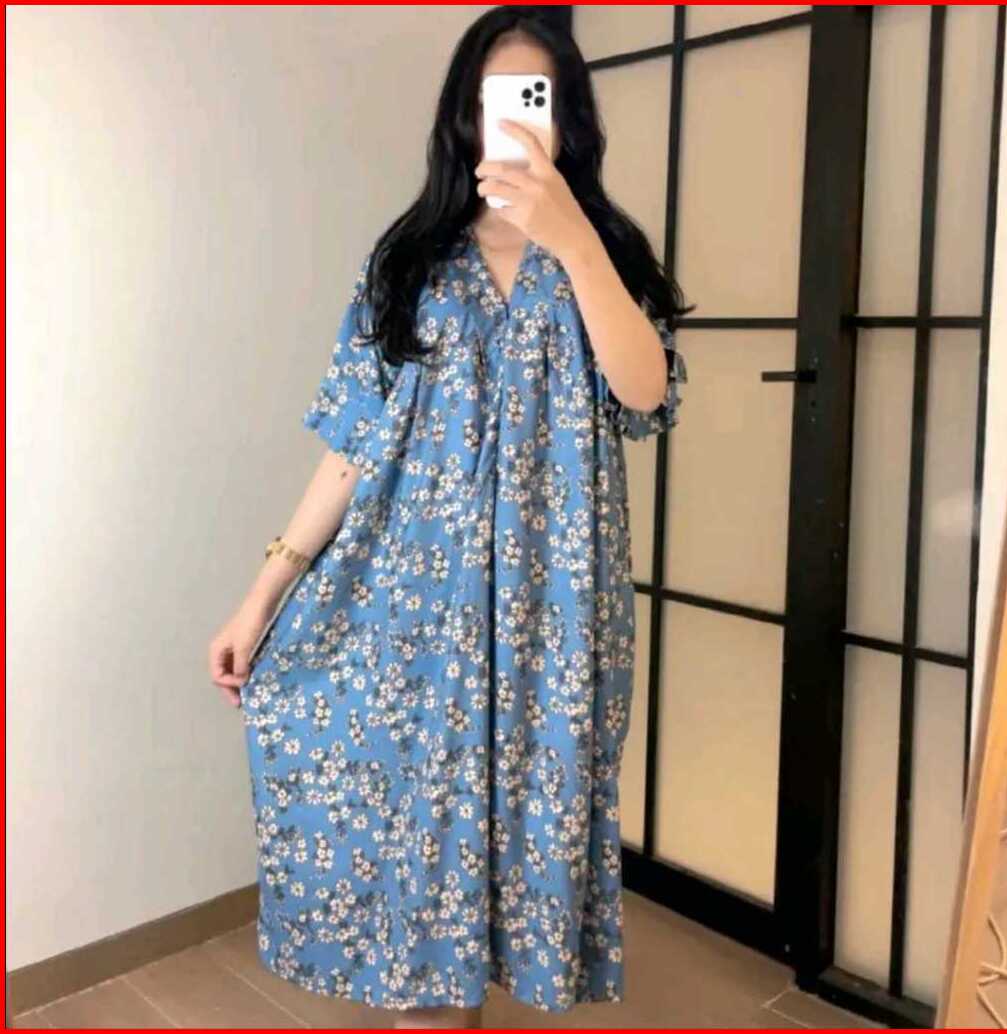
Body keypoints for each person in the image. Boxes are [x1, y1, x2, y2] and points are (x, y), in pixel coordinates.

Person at [208, 6, 692, 1029]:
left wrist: (571, 239)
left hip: (554, 621)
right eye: (493, 97)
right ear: (462, 114)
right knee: (421, 884)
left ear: (566, 115)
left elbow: (645, 392)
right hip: (410, 613)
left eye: (533, 97)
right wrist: (262, 594)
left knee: (519, 842)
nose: (511, 117)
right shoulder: (410, 261)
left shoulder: (603, 252)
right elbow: (353, 442)